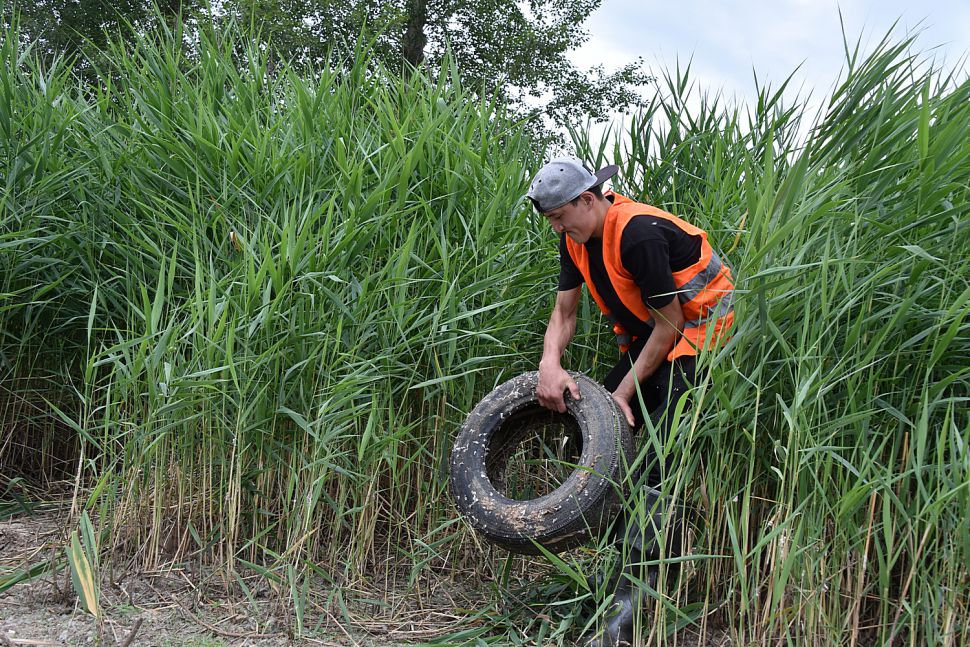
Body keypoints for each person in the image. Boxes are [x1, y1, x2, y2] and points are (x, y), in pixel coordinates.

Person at [526, 157, 734, 646]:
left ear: (587, 199)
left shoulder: (637, 233)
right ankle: (611, 571)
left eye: (559, 216)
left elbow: (672, 323)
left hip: (706, 336)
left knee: (661, 459)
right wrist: (549, 363)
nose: (556, 227)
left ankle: (634, 605)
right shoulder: (575, 238)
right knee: (598, 433)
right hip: (657, 337)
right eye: (551, 220)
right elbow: (564, 312)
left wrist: (624, 393)